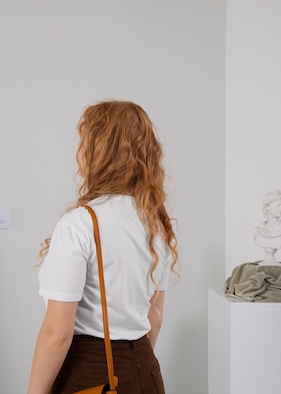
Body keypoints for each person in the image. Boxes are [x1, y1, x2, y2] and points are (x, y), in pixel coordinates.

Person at [27, 101, 179, 394]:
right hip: (146, 372)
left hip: (93, 374)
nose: (79, 152)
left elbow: (57, 334)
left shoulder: (81, 224)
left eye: (84, 142)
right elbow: (154, 320)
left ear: (99, 152)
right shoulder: (155, 221)